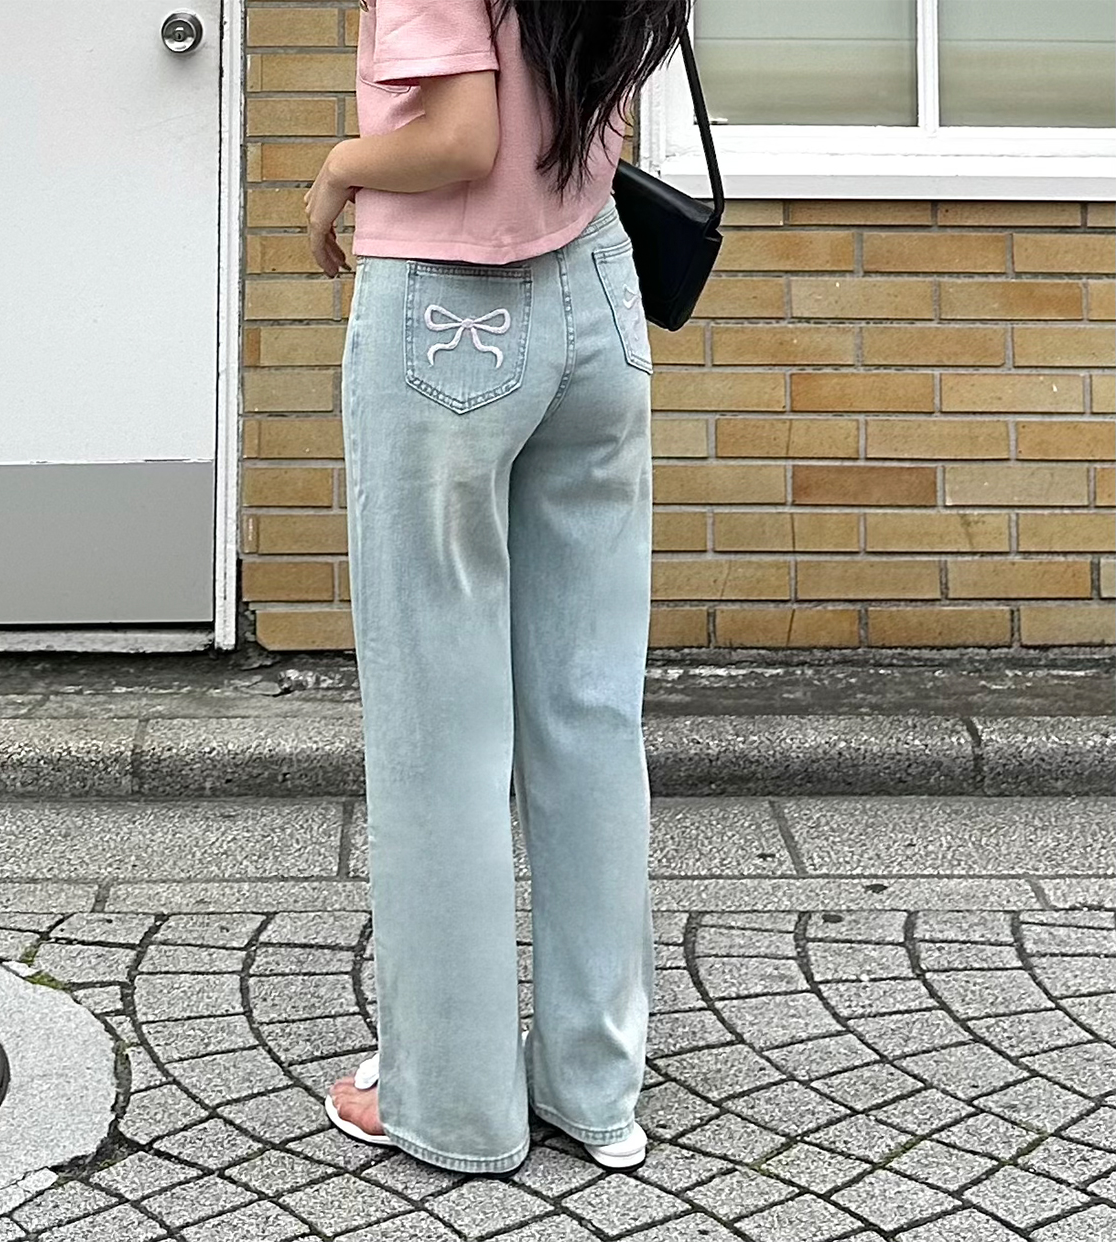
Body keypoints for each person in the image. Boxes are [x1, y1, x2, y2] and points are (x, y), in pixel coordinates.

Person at [303, 0, 692, 1177]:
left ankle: (455, 1106)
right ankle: (596, 1089)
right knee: (589, 713)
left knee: (440, 734)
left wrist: (340, 169)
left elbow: (460, 140)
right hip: (599, 296)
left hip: (446, 316)